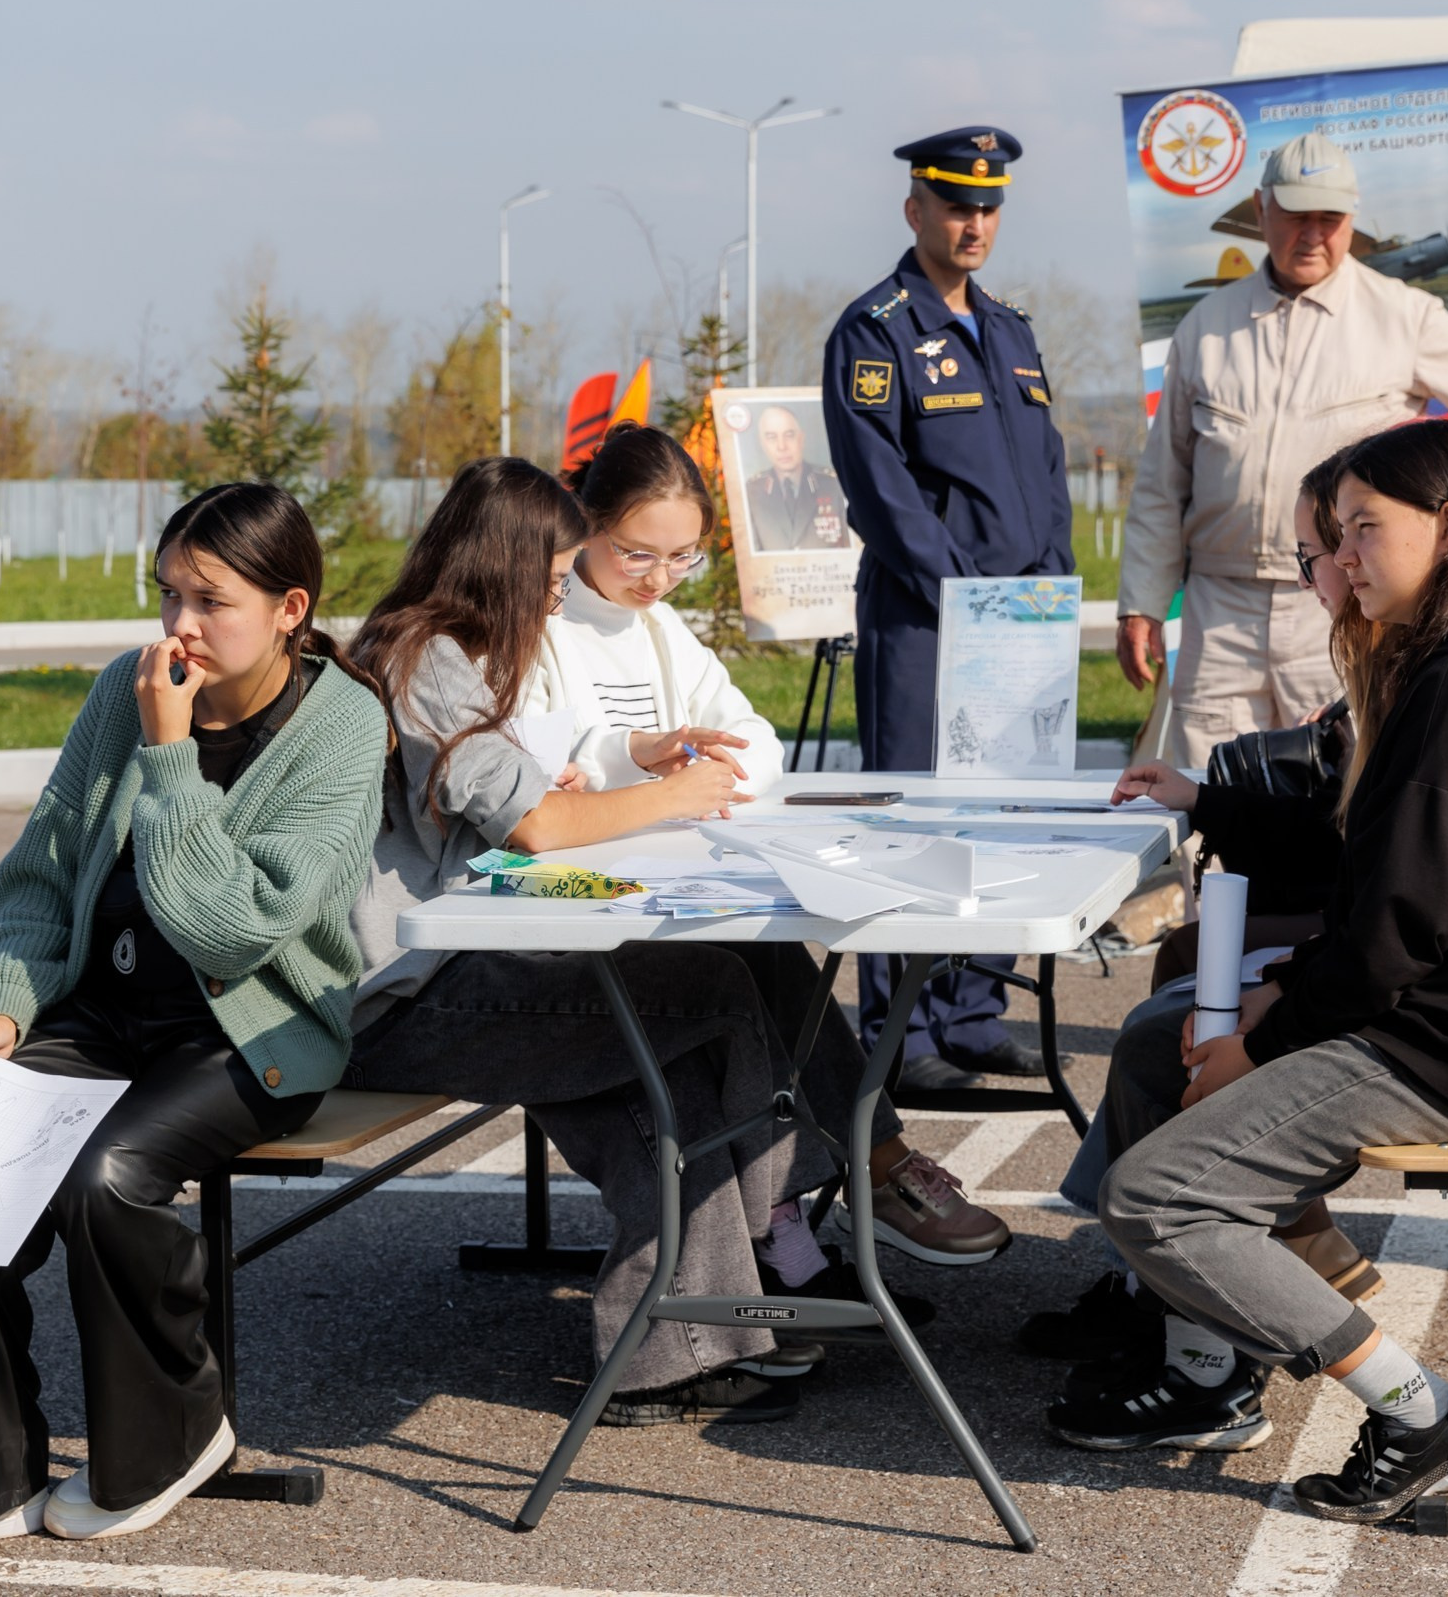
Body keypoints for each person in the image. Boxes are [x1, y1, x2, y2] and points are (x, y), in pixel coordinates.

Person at [1046, 420, 1448, 1526]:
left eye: (1365, 528)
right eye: (1340, 532)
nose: (1344, 554)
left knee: (1159, 1196)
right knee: (1151, 1041)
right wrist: (1221, 832)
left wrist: (1262, 1036)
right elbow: (1383, 872)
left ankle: (1423, 1415)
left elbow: (1391, 937)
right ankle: (1205, 1371)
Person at [346, 458, 1006, 1431]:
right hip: (413, 985)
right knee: (714, 998)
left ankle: (705, 1324)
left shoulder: (451, 647)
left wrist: (607, 769)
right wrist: (663, 794)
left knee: (688, 1025)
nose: (561, 592)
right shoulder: (431, 656)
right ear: (508, 564)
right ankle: (761, 1267)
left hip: (455, 956)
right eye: (558, 570)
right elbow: (527, 822)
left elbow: (527, 780)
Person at [0, 484, 391, 1562]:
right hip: (98, 1007)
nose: (178, 627)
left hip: (248, 1029)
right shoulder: (126, 689)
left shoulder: (344, 726)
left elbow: (232, 934)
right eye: (166, 595)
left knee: (104, 1180)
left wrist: (167, 756)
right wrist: (6, 1005)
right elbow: (39, 874)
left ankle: (171, 1440)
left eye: (210, 600)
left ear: (291, 607)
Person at [1019, 457, 1374, 1370]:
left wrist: (1272, 1013)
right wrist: (1208, 799)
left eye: (1318, 553)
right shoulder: (1399, 658)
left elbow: (1396, 904)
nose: (1321, 575)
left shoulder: (1425, 676)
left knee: (1165, 1029)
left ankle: (1204, 1322)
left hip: (1439, 1009)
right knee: (1183, 966)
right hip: (1406, 962)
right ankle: (1206, 1268)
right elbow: (1344, 836)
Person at [1118, 128, 1448, 768]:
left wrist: (1419, 498)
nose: (1312, 233)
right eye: (1295, 215)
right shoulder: (1204, 326)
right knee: (1210, 788)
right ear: (1261, 212)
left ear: (1351, 219)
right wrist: (1142, 602)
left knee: (1342, 785)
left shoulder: (1405, 315)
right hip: (1220, 607)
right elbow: (1161, 480)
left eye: (1330, 218)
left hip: (1347, 600)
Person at [821, 125, 1072, 1090]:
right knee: (916, 818)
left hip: (1016, 614)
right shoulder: (877, 329)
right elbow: (877, 488)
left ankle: (969, 1011)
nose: (975, 222)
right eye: (956, 203)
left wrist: (1047, 581)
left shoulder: (1008, 328)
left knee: (993, 815)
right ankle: (904, 1036)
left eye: (989, 205)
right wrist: (966, 592)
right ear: (915, 208)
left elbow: (1046, 469)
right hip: (929, 616)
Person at [743, 404, 851, 552]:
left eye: (789, 435)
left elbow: (848, 544)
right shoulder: (751, 492)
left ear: (801, 438)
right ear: (762, 444)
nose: (782, 446)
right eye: (771, 437)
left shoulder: (832, 485)